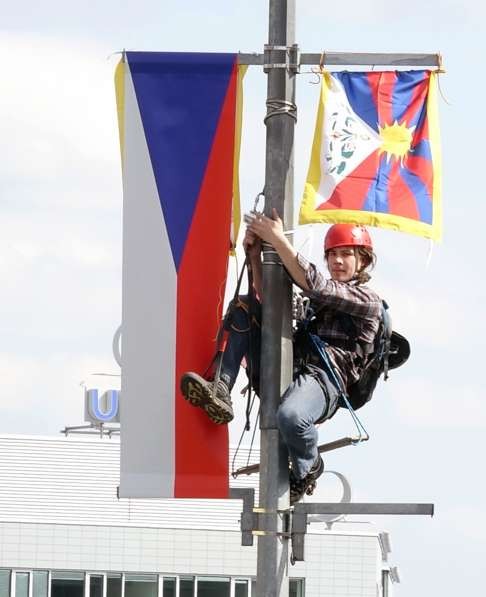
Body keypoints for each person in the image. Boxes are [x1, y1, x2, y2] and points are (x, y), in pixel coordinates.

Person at [181, 211, 383, 504]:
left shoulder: (368, 302)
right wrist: (254, 256)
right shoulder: (314, 303)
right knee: (245, 306)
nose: (338, 261)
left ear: (362, 260)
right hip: (289, 368)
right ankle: (221, 387)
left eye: (347, 255)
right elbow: (271, 302)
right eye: (333, 255)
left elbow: (317, 285)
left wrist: (277, 239)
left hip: (322, 381)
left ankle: (308, 466)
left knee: (292, 416)